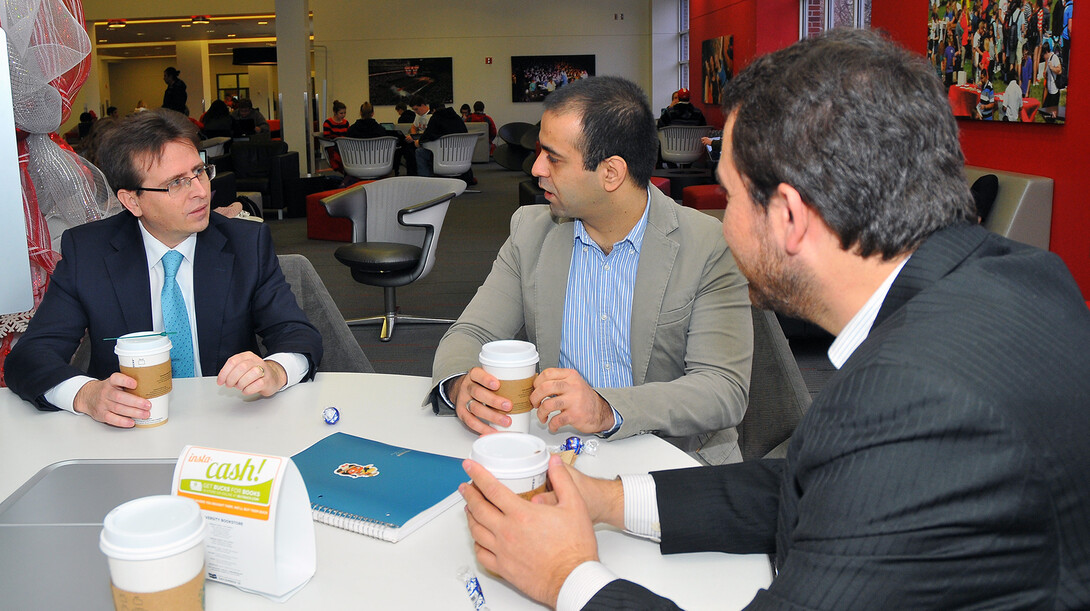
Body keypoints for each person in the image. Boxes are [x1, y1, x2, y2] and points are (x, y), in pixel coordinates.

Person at [459, 29, 1090, 609]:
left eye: (729, 195)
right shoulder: (1021, 279)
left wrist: (569, 578)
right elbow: (809, 487)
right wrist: (609, 500)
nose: (719, 221)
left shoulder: (912, 403)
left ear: (788, 218)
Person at [430, 76, 752, 463]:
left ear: (611, 173)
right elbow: (473, 332)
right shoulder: (530, 233)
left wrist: (606, 408)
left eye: (554, 157)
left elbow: (722, 389)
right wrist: (459, 383)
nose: (536, 169)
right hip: (562, 456)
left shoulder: (706, 245)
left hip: (674, 464)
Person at [5, 109, 323, 428]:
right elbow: (29, 357)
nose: (200, 191)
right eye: (175, 184)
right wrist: (86, 395)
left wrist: (275, 371)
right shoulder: (89, 253)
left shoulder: (246, 244)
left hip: (229, 422)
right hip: (129, 431)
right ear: (133, 202)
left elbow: (296, 334)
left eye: (199, 172)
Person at [414, 101, 474, 183]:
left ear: (434, 110)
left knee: (419, 152)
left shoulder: (435, 118)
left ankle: (426, 183)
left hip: (443, 158)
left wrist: (419, 142)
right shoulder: (457, 118)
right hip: (461, 158)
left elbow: (428, 136)